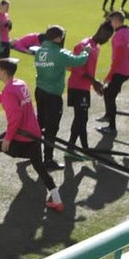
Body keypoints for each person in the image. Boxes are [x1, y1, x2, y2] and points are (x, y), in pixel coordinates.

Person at [0, 58, 63, 213]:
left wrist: (7, 138)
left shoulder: (9, 91)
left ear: (4, 72)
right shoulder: (19, 84)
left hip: (21, 136)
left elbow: (15, 118)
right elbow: (6, 97)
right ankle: (58, 201)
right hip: (34, 133)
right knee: (39, 167)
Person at [33, 25, 89, 170]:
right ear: (57, 38)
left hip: (40, 90)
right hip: (53, 95)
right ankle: (48, 159)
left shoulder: (39, 51)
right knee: (52, 128)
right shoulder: (59, 53)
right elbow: (78, 62)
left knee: (40, 122)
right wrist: (86, 52)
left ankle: (32, 151)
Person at [66, 23, 112, 157]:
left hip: (83, 87)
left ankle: (72, 148)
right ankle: (82, 149)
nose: (107, 40)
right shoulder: (84, 45)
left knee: (81, 118)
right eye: (107, 36)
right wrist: (94, 82)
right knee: (81, 118)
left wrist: (94, 84)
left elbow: (88, 70)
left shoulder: (96, 47)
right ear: (101, 31)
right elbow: (76, 67)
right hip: (76, 87)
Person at [98, 11, 129, 136]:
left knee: (109, 96)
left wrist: (109, 76)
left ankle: (112, 127)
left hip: (120, 71)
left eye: (111, 21)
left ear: (116, 21)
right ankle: (108, 115)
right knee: (108, 92)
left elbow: (118, 59)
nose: (110, 24)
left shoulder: (118, 36)